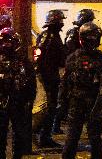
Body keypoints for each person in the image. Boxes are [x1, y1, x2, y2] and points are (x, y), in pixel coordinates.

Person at [62, 22, 102, 159]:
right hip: (95, 101)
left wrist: (63, 103)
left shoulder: (72, 57)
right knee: (94, 136)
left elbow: (65, 83)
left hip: (77, 100)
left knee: (73, 134)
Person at [53, 9, 95, 134]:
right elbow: (70, 48)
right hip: (74, 69)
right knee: (66, 98)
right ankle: (56, 124)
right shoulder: (74, 32)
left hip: (83, 68)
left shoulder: (83, 32)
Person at [0, 27, 36, 159]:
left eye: (9, 41)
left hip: (18, 102)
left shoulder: (23, 61)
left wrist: (29, 100)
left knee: (19, 134)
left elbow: (31, 82)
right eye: (4, 41)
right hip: (2, 102)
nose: (6, 44)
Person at [35, 9, 66, 147]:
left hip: (51, 75)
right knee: (49, 108)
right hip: (47, 77)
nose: (62, 23)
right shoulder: (48, 36)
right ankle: (42, 137)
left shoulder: (53, 35)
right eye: (60, 21)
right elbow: (40, 57)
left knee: (52, 107)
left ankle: (44, 136)